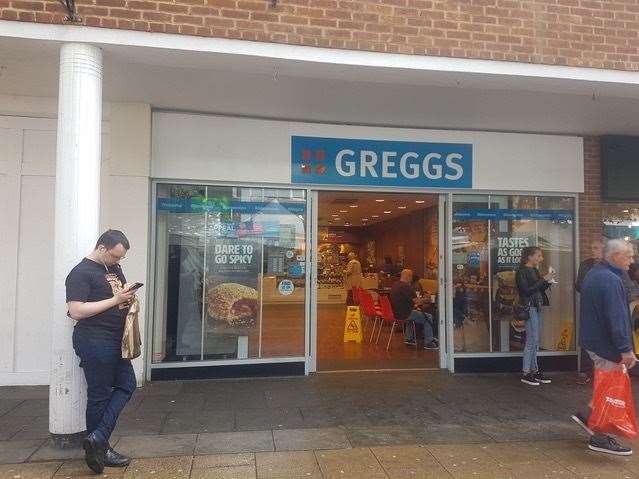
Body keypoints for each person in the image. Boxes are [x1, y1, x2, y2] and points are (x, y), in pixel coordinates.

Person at [66, 230, 137, 473]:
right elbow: (76, 311)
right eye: (115, 256)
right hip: (94, 340)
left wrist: (126, 294)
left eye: (121, 259)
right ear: (102, 248)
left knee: (127, 384)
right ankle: (99, 448)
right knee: (99, 394)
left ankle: (97, 438)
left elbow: (118, 295)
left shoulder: (112, 269)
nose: (118, 262)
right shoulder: (80, 273)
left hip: (116, 339)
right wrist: (116, 300)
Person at [571, 239, 637, 456]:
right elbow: (616, 317)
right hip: (606, 345)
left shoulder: (597, 273)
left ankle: (587, 414)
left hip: (596, 341)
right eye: (628, 256)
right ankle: (599, 437)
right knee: (609, 389)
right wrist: (626, 349)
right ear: (615, 256)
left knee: (606, 387)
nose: (632, 260)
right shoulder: (609, 280)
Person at [516, 246, 555, 386]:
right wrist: (543, 279)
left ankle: (534, 370)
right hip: (530, 307)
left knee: (535, 339)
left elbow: (538, 288)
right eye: (538, 256)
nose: (541, 258)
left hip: (537, 306)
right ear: (529, 257)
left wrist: (547, 281)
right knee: (532, 339)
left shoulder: (534, 270)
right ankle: (526, 372)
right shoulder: (521, 271)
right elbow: (526, 291)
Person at [575, 240, 604, 385]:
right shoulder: (585, 264)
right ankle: (586, 371)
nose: (593, 251)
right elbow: (579, 285)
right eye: (591, 248)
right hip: (589, 307)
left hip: (604, 308)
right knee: (587, 337)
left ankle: (602, 371)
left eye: (596, 248)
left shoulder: (610, 265)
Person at [389, 269, 437, 349]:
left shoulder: (395, 285)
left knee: (413, 314)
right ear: (408, 277)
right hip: (404, 314)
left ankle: (409, 338)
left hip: (395, 313)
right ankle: (428, 342)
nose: (411, 279)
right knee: (428, 317)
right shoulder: (406, 286)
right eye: (411, 277)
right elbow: (417, 302)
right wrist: (428, 299)